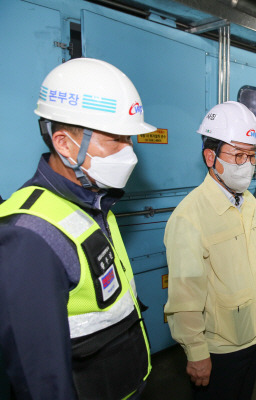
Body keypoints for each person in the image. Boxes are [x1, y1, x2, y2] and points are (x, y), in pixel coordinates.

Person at [0, 58, 155, 399]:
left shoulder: (95, 201)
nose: (129, 153)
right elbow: (40, 380)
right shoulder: (29, 233)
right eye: (115, 139)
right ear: (65, 144)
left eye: (129, 139)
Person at [164, 101, 256, 400]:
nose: (247, 164)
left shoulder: (249, 202)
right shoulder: (189, 216)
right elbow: (184, 294)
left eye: (251, 156)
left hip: (255, 332)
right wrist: (196, 352)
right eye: (238, 155)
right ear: (210, 156)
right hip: (220, 346)